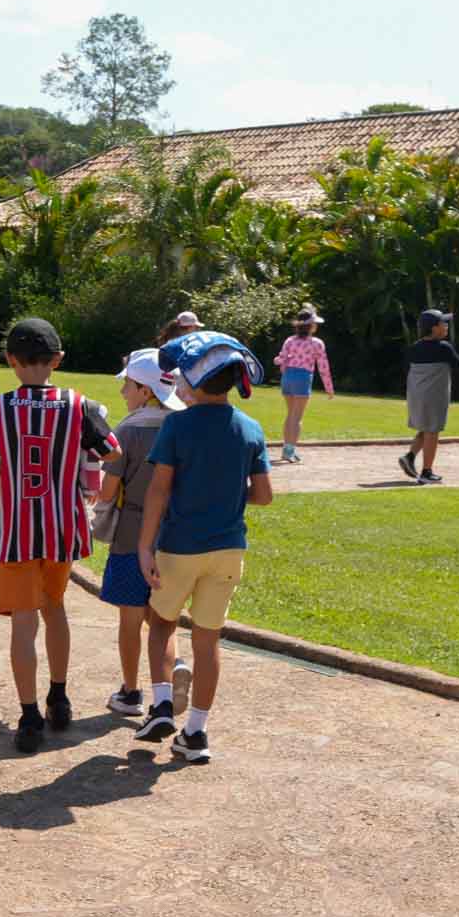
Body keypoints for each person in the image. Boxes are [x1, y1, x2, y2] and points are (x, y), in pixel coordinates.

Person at [0, 317, 114, 752]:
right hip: (62, 529)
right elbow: (111, 452)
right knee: (55, 607)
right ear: (58, 359)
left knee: (23, 621)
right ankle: (59, 695)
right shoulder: (79, 404)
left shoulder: (0, 407)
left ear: (11, 360)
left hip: (18, 531)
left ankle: (29, 714)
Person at [133, 331, 273, 764]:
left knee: (161, 622)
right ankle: (196, 732)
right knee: (208, 641)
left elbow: (159, 490)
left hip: (180, 546)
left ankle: (161, 705)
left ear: (193, 379)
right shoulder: (250, 428)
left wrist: (144, 547)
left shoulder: (178, 424)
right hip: (228, 549)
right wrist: (226, 493)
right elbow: (264, 494)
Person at [97, 349, 183, 717]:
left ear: (145, 391)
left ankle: (131, 692)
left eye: (128, 386)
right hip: (174, 538)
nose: (123, 393)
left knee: (130, 620)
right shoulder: (182, 426)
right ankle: (173, 672)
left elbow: (107, 491)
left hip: (131, 534)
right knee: (163, 619)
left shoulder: (127, 431)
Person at [399, 309, 459, 484]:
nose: (446, 326)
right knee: (432, 431)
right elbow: (458, 364)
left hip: (416, 395)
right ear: (434, 328)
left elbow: (406, 367)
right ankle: (426, 472)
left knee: (426, 428)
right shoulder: (444, 348)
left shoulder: (413, 348)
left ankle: (409, 457)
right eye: (443, 323)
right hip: (434, 396)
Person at [274, 305, 333, 463]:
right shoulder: (317, 343)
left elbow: (281, 359)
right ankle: (289, 451)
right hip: (303, 378)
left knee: (290, 415)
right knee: (297, 417)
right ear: (311, 325)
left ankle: (286, 449)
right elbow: (323, 366)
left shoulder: (290, 340)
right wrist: (329, 388)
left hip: (287, 377)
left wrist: (279, 362)